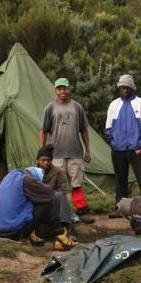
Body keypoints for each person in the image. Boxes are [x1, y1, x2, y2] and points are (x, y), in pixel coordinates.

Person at [39, 77, 95, 224]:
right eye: (59, 89)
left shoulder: (77, 107)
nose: (62, 91)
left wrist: (87, 150)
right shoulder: (50, 108)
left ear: (69, 89)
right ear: (55, 91)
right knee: (58, 185)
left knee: (77, 183)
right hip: (56, 154)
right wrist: (42, 152)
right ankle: (60, 212)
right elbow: (43, 131)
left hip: (75, 152)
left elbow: (83, 130)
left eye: (64, 88)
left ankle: (82, 212)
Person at [0, 155, 78, 251]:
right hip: (15, 232)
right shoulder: (28, 180)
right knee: (47, 201)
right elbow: (49, 194)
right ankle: (61, 236)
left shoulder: (9, 177)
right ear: (35, 178)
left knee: (29, 202)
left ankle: (32, 236)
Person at [105, 74, 141, 217]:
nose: (124, 89)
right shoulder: (114, 104)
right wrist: (113, 142)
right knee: (120, 180)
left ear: (132, 87)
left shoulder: (140, 103)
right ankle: (121, 209)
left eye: (126, 87)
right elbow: (108, 127)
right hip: (119, 148)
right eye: (121, 87)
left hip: (136, 147)